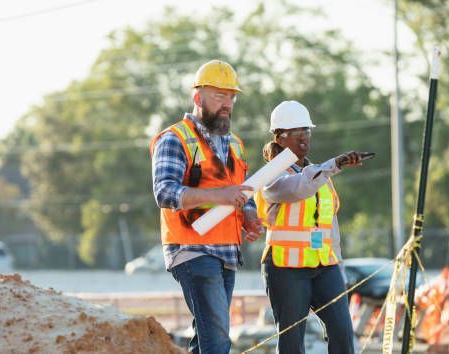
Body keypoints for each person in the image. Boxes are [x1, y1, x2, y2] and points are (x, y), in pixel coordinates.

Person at [150, 59, 263, 354]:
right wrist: (221, 195)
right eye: (218, 96)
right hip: (192, 249)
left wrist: (248, 216)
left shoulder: (235, 144)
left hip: (226, 250)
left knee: (207, 339)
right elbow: (165, 193)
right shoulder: (175, 139)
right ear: (198, 97)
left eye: (231, 97)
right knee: (217, 341)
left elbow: (240, 193)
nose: (227, 104)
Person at [255, 100, 362, 354]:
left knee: (343, 334)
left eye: (306, 132)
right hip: (286, 269)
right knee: (292, 342)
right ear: (280, 138)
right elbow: (299, 187)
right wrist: (334, 165)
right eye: (295, 134)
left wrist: (340, 271)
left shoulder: (320, 175)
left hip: (325, 267)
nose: (303, 139)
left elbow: (330, 229)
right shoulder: (271, 175)